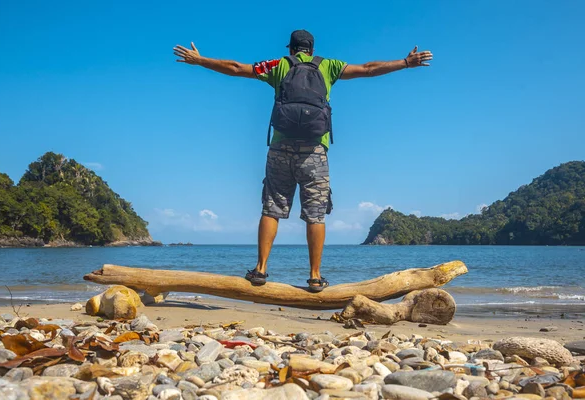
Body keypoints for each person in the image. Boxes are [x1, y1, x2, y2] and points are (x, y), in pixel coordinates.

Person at [174, 30, 432, 292]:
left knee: (271, 208)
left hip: (280, 149)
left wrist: (200, 60)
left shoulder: (279, 65)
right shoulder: (329, 66)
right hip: (314, 151)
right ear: (312, 49)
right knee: (316, 215)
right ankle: (315, 276)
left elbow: (236, 68)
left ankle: (261, 269)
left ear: (291, 48)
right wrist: (405, 63)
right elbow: (368, 69)